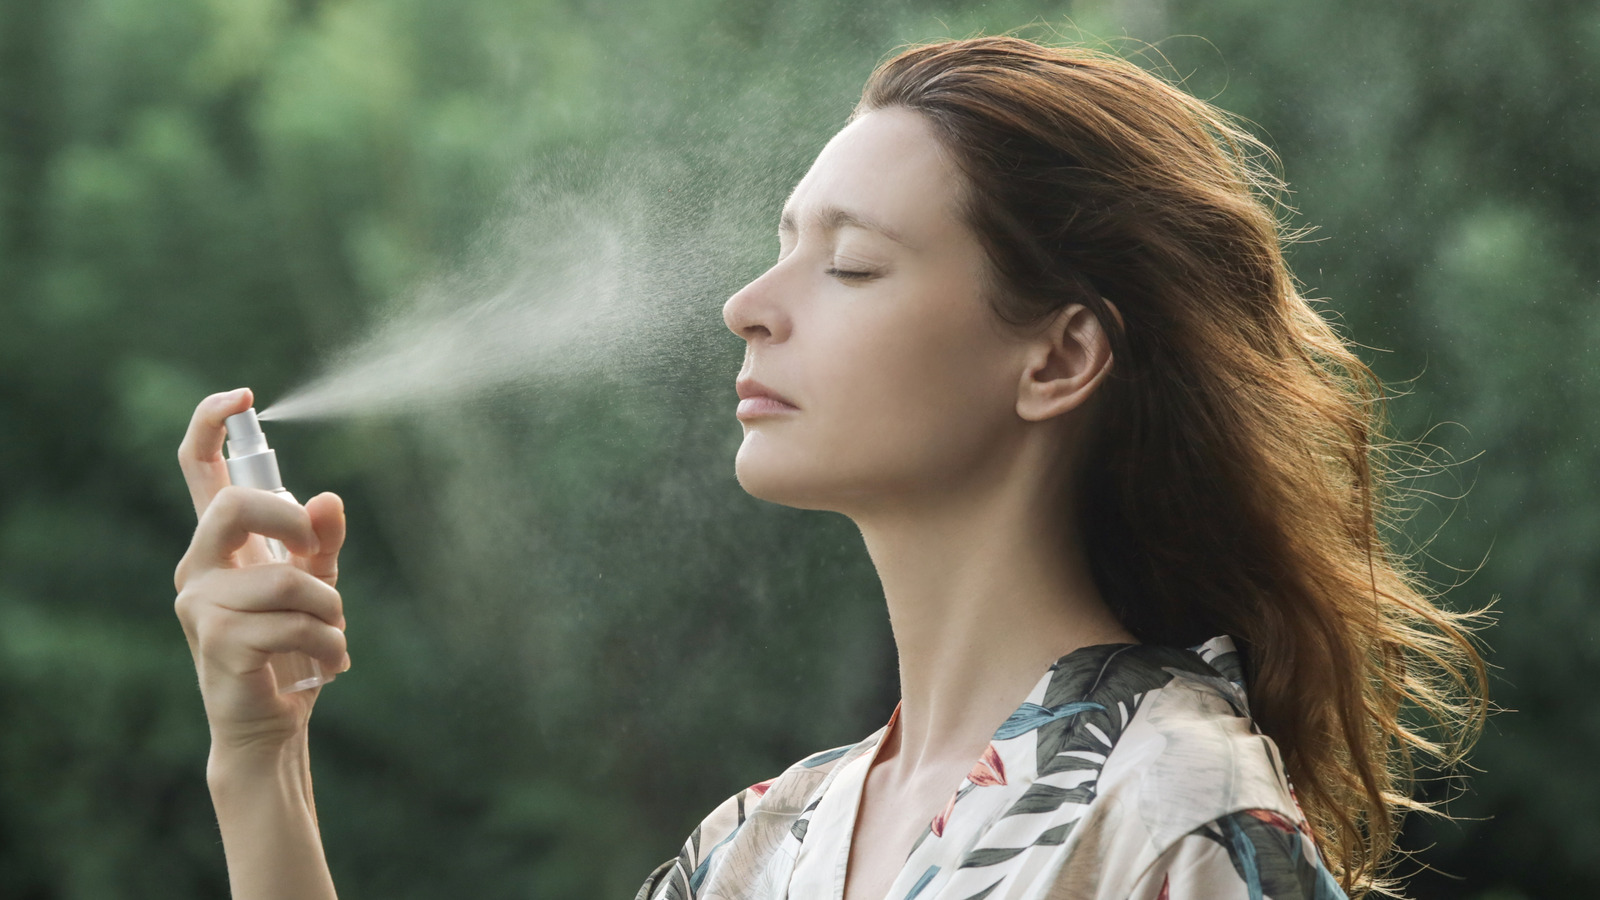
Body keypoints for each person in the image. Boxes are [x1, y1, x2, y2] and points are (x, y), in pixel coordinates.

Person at [173, 35, 1487, 900]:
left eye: (850, 265)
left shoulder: (1178, 818)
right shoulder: (761, 844)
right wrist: (261, 758)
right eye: (779, 245)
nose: (750, 301)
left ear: (1059, 356)